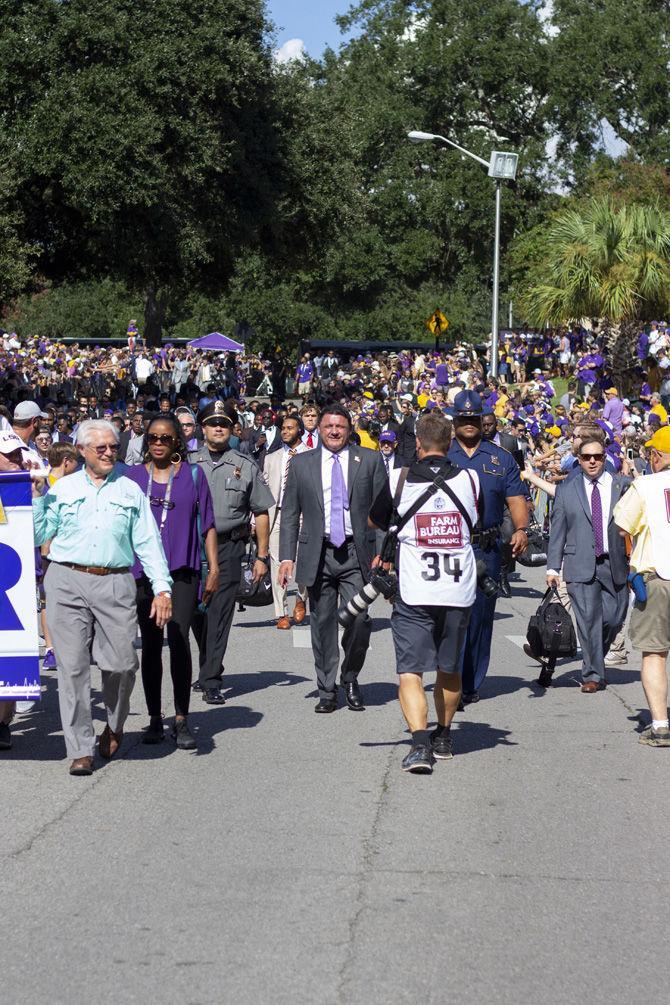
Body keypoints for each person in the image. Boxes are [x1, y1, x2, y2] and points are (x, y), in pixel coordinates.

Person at [33, 419, 172, 776]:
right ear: (81, 451)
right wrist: (36, 498)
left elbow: (147, 543)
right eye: (102, 448)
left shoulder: (129, 490)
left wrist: (162, 588)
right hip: (66, 580)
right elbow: (39, 533)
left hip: (114, 582)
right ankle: (80, 748)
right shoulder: (61, 489)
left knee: (123, 664)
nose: (110, 452)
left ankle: (114, 723)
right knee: (73, 668)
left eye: (114, 446)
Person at [369, 413, 479, 773]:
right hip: (458, 589)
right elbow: (477, 520)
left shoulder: (399, 478)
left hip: (415, 589)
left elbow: (376, 519)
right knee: (449, 669)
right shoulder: (470, 478)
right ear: (450, 444)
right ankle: (444, 735)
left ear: (418, 443)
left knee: (410, 671)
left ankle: (419, 744)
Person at [278, 404, 387, 712]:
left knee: (360, 619)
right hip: (318, 552)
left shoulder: (369, 460)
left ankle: (350, 676)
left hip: (357, 552)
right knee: (322, 623)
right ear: (319, 430)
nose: (335, 431)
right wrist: (287, 555)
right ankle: (327, 689)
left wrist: (383, 553)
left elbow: (381, 513)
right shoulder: (301, 464)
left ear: (349, 430)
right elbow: (289, 513)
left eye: (340, 426)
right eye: (329, 427)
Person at [125, 415, 218, 749]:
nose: (159, 443)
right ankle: (153, 718)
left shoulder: (193, 476)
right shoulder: (132, 478)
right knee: (151, 645)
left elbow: (207, 524)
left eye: (165, 438)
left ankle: (181, 718)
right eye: (153, 438)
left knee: (178, 638)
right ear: (145, 441)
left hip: (182, 570)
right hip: (144, 574)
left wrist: (214, 568)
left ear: (177, 440)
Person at [189, 401, 274, 704]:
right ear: (203, 428)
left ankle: (211, 678)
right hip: (191, 546)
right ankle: (210, 661)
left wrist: (262, 556)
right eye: (213, 423)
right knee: (196, 613)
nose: (218, 428)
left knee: (220, 611)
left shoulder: (245, 464)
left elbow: (261, 511)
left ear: (232, 429)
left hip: (229, 545)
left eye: (224, 424)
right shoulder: (186, 462)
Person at [447, 391, 529, 702]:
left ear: (482, 420)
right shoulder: (441, 454)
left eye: (474, 418)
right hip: (449, 545)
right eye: (463, 418)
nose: (469, 423)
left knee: (480, 618)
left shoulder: (501, 458)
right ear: (455, 420)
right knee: (451, 616)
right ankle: (450, 676)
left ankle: (470, 684)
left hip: (487, 546)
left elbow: (516, 498)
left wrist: (521, 529)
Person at [546, 435, 630, 693]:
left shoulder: (622, 485)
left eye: (598, 456)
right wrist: (553, 567)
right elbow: (558, 529)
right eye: (586, 457)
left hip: (613, 562)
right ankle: (592, 674)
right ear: (579, 460)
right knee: (588, 619)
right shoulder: (566, 489)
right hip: (579, 563)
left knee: (614, 616)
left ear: (605, 458)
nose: (592, 461)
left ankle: (595, 656)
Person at [613, 427, 670, 744]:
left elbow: (622, 523)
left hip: (659, 576)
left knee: (655, 653)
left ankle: (660, 724)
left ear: (657, 456)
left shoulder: (646, 485)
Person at [0, 431, 35, 750]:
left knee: (9, 655)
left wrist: (39, 495)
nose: (15, 460)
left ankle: (2, 723)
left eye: (17, 454)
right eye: (8, 455)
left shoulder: (28, 486)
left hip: (13, 584)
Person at [263, 415, 309, 629]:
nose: (285, 431)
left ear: (299, 430)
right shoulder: (271, 458)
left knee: (301, 560)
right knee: (276, 562)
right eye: (283, 428)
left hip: (302, 514)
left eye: (290, 428)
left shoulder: (311, 455)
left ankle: (301, 599)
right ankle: (281, 612)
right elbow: (264, 490)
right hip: (277, 514)